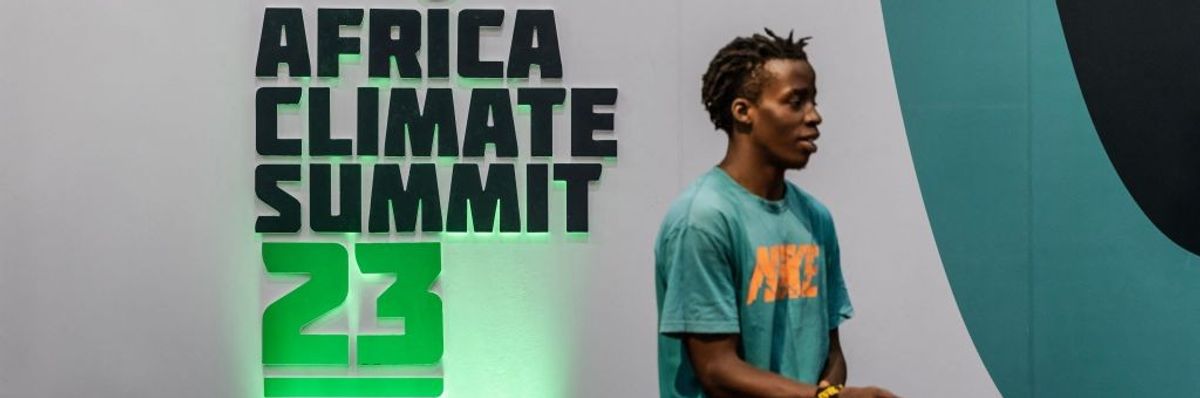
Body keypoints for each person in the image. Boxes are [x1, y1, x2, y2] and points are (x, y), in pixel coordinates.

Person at [654, 29, 897, 398]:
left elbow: (830, 350)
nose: (814, 116)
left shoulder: (814, 217)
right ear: (743, 112)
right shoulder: (702, 219)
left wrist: (830, 395)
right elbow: (717, 370)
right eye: (795, 102)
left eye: (813, 101)